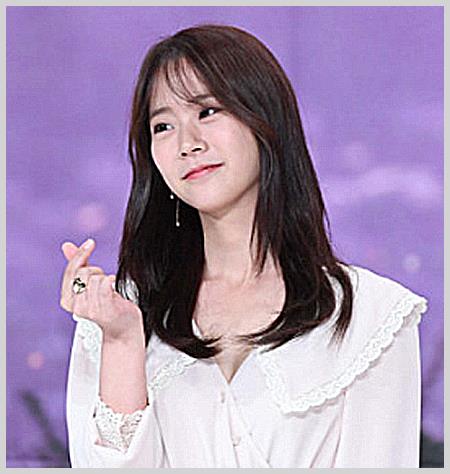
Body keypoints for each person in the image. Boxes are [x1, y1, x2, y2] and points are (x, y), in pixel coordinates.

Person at [60, 24, 428, 468]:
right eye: (163, 125)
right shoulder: (116, 313)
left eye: (207, 111)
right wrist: (121, 342)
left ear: (265, 118)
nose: (187, 144)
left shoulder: (373, 316)